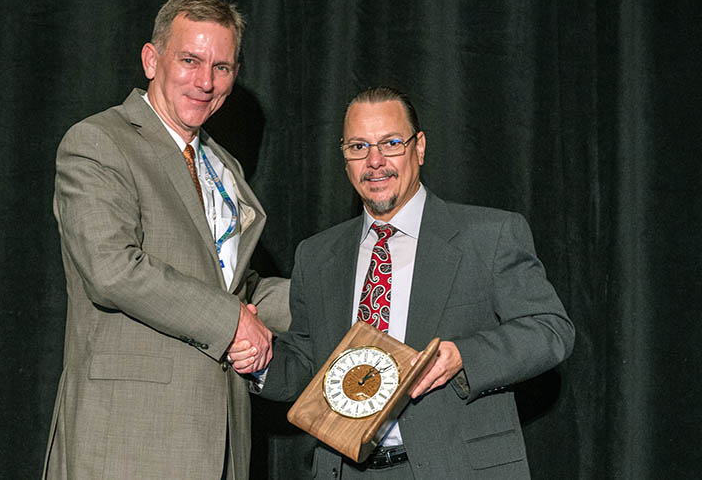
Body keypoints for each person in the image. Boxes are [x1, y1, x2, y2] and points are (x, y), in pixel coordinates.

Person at [229, 86, 575, 479]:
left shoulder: (489, 235)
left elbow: (551, 331)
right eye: (358, 147)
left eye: (391, 143)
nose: (374, 162)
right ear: (344, 158)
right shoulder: (317, 255)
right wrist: (261, 360)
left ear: (419, 147)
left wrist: (462, 356)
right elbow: (308, 363)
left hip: (456, 468)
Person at [42, 0, 290, 480]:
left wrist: (335, 292)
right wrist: (232, 323)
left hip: (221, 439)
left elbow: (237, 288)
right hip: (129, 440)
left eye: (222, 67)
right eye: (190, 60)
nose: (205, 81)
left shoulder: (223, 165)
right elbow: (112, 269)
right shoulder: (98, 142)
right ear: (151, 60)